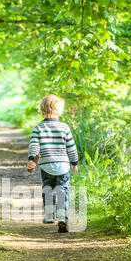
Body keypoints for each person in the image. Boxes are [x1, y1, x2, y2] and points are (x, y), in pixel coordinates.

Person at [27, 95, 78, 233]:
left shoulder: (38, 128)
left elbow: (34, 146)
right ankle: (63, 218)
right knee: (63, 191)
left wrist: (32, 160)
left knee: (48, 189)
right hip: (62, 166)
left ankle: (49, 216)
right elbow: (71, 147)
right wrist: (74, 162)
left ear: (42, 112)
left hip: (46, 166)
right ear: (59, 111)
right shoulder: (64, 127)